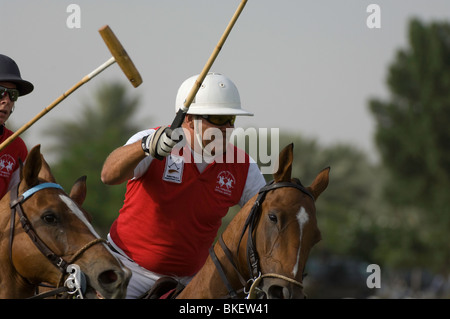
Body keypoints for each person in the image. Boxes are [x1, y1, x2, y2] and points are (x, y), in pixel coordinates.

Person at [101, 72, 266, 298]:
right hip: (129, 270)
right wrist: (145, 146)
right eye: (218, 119)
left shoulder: (244, 166)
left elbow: (266, 218)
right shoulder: (151, 139)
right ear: (189, 119)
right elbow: (109, 175)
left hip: (194, 280)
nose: (227, 127)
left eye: (231, 119)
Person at [0, 54, 33, 198]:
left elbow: (15, 202)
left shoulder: (17, 146)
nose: (6, 101)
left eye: (12, 95)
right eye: (0, 92)